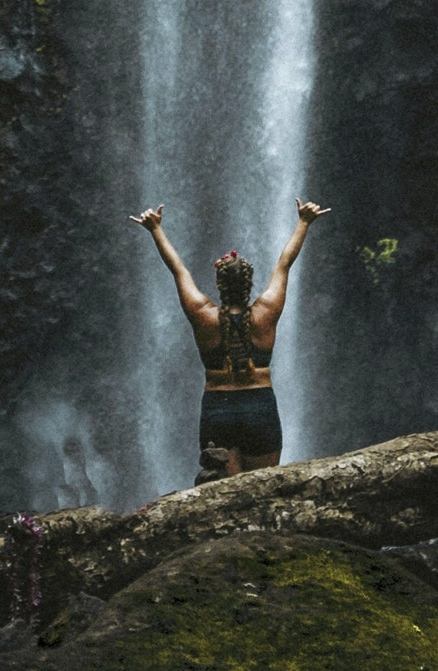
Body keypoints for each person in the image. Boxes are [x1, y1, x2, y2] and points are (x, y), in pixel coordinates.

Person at [129, 199, 331, 479]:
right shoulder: (266, 313)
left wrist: (156, 230)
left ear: (218, 285)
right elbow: (284, 264)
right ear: (249, 284)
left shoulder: (203, 315)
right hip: (259, 408)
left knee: (222, 492)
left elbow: (178, 270)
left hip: (217, 410)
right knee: (263, 489)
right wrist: (304, 222)